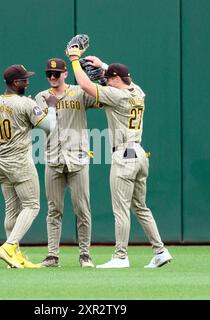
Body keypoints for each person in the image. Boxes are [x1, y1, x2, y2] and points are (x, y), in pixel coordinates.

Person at [65, 47, 172, 268]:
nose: (104, 80)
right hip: (141, 155)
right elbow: (117, 78)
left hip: (124, 155)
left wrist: (75, 59)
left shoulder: (116, 95)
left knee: (121, 209)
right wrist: (103, 65)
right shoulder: (137, 91)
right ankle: (160, 251)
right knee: (141, 207)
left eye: (107, 78)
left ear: (115, 79)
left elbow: (85, 85)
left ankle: (120, 256)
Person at [0, 64, 58, 269]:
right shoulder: (25, 104)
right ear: (14, 83)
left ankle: (14, 257)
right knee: (32, 206)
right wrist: (53, 105)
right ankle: (10, 246)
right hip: (19, 162)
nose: (27, 82)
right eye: (24, 79)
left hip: (1, 162)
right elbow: (50, 126)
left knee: (12, 209)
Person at [35, 58, 99, 268]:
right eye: (49, 74)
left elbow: (103, 96)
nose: (52, 77)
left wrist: (100, 71)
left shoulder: (79, 92)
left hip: (77, 158)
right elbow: (43, 127)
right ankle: (52, 256)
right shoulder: (42, 96)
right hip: (53, 158)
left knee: (82, 209)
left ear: (65, 74)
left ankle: (85, 255)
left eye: (56, 73)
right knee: (54, 210)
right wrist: (50, 109)